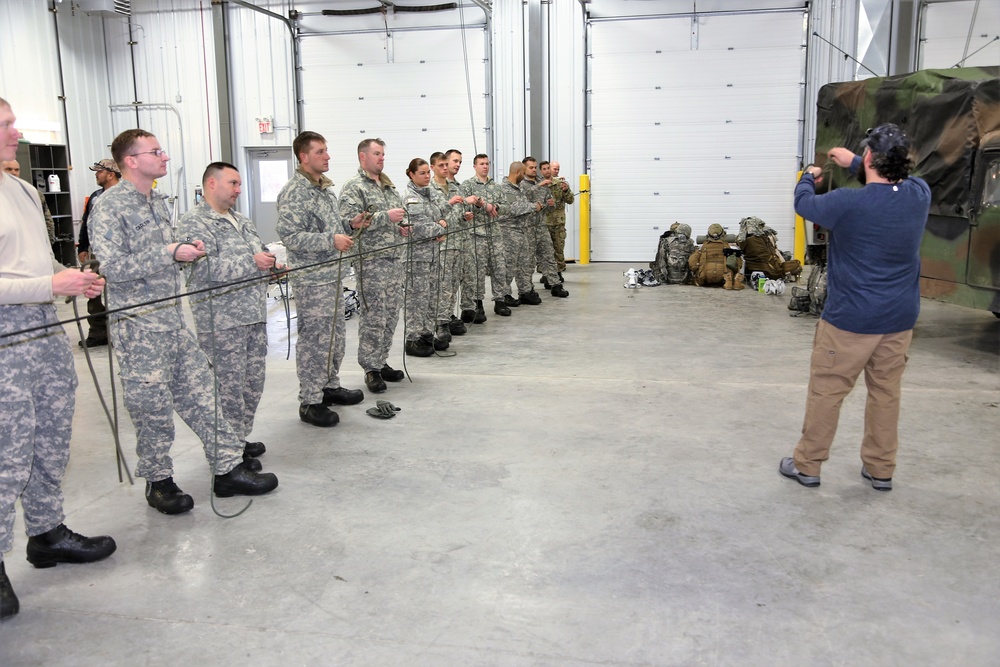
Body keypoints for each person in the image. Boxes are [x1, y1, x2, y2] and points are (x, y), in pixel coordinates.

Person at [90, 129, 278, 515]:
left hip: (173, 321)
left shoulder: (157, 202)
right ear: (131, 160)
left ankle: (227, 469)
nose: (164, 156)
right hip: (139, 326)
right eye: (154, 151)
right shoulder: (110, 206)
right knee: (152, 407)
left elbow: (167, 257)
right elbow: (112, 268)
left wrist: (185, 253)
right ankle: (159, 481)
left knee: (203, 395)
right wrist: (170, 251)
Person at [1, 97, 116, 622]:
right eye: (6, 126)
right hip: (5, 338)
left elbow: (35, 260)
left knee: (50, 437)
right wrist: (50, 283)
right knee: (7, 453)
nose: (15, 134)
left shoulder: (22, 189)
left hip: (43, 331)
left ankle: (46, 534)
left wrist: (70, 279)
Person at [779, 123, 931, 491]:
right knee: (885, 393)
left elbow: (803, 203)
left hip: (849, 321)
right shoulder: (918, 194)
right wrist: (854, 164)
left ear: (868, 157)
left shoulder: (846, 203)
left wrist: (807, 176)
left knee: (828, 390)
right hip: (899, 319)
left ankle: (808, 465)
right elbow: (899, 180)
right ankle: (881, 469)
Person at [179, 162, 281, 459]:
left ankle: (237, 438)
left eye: (239, 184)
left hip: (253, 316)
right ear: (212, 184)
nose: (238, 190)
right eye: (233, 183)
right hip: (222, 322)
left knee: (251, 385)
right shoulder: (195, 222)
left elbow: (259, 253)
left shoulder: (241, 220)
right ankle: (228, 453)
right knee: (227, 390)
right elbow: (199, 269)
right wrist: (254, 263)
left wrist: (272, 268)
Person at [276, 133, 365, 427]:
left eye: (327, 150)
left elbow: (331, 227)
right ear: (304, 157)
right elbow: (290, 236)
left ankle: (329, 386)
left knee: (334, 337)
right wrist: (332, 239)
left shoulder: (325, 191)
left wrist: (349, 225)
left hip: (332, 276)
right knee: (315, 340)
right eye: (321, 152)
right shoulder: (294, 192)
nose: (327, 157)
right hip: (312, 280)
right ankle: (310, 400)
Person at [338, 138, 408, 393]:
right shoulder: (353, 187)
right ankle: (370, 368)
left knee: (390, 315)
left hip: (394, 260)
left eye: (382, 154)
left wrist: (400, 227)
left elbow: (396, 215)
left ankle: (381, 360)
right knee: (373, 316)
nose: (381, 158)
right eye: (376, 154)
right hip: (371, 262)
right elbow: (349, 221)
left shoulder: (388, 187)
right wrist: (384, 217)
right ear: (363, 157)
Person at [402, 157, 448, 356]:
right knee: (416, 299)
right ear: (412, 175)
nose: (427, 176)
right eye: (422, 173)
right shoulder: (408, 197)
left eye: (428, 173)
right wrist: (439, 228)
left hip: (432, 254)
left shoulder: (430, 194)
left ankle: (427, 335)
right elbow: (417, 227)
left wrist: (440, 225)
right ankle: (412, 339)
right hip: (416, 258)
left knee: (431, 296)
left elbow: (443, 215)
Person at [460, 153, 514, 320]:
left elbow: (507, 207)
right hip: (477, 234)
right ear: (475, 166)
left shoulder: (496, 187)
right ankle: (477, 303)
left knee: (499, 268)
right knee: (477, 270)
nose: (485, 166)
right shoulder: (467, 186)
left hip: (495, 233)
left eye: (487, 163)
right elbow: (463, 208)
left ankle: (500, 300)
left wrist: (494, 206)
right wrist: (479, 206)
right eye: (481, 163)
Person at [431, 151, 476, 345]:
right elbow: (429, 215)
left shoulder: (456, 187)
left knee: (454, 284)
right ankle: (440, 322)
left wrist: (465, 216)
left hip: (458, 242)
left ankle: (448, 315)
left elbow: (457, 214)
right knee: (443, 285)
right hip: (442, 245)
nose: (457, 165)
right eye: (454, 161)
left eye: (460, 162)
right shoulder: (430, 189)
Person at [76, 158, 120, 348]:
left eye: (99, 171)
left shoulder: (124, 196)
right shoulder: (95, 196)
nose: (96, 174)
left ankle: (118, 333)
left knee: (117, 292)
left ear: (110, 174)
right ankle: (98, 332)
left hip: (118, 255)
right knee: (92, 292)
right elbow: (86, 222)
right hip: (96, 253)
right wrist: (82, 247)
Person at [496, 161, 544, 304]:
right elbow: (513, 209)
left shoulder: (518, 188)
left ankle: (525, 291)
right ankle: (504, 294)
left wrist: (534, 207)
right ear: (517, 172)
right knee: (509, 265)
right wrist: (533, 206)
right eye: (523, 173)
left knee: (524, 263)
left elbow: (522, 207)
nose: (524, 176)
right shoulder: (504, 189)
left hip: (522, 230)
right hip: (508, 232)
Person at [521, 158, 568, 298]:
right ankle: (527, 289)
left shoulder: (543, 185)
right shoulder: (522, 185)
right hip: (528, 228)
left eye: (535, 167)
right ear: (524, 169)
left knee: (549, 256)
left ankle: (555, 284)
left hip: (542, 226)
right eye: (531, 167)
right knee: (528, 261)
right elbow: (521, 201)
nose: (534, 170)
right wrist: (539, 185)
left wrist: (550, 203)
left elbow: (549, 206)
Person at [2, 158, 56, 244]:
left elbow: (47, 222)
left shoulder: (33, 194)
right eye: (8, 169)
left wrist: (46, 246)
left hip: (32, 246)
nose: (13, 173)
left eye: (16, 170)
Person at [546, 160, 574, 275]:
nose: (556, 171)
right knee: (545, 250)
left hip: (558, 223)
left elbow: (570, 200)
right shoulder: (543, 183)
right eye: (554, 169)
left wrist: (566, 190)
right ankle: (546, 273)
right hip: (545, 222)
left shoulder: (562, 184)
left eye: (558, 169)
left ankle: (559, 272)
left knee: (559, 248)